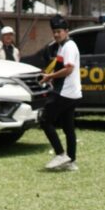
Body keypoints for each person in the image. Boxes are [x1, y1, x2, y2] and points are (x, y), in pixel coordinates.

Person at [39, 15, 82, 171]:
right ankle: (71, 162)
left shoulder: (69, 46)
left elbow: (68, 69)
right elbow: (58, 66)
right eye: (54, 32)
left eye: (59, 31)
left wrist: (50, 76)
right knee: (68, 127)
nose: (56, 34)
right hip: (72, 93)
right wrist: (48, 76)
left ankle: (60, 154)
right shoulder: (62, 46)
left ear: (66, 31)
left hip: (64, 93)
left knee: (44, 120)